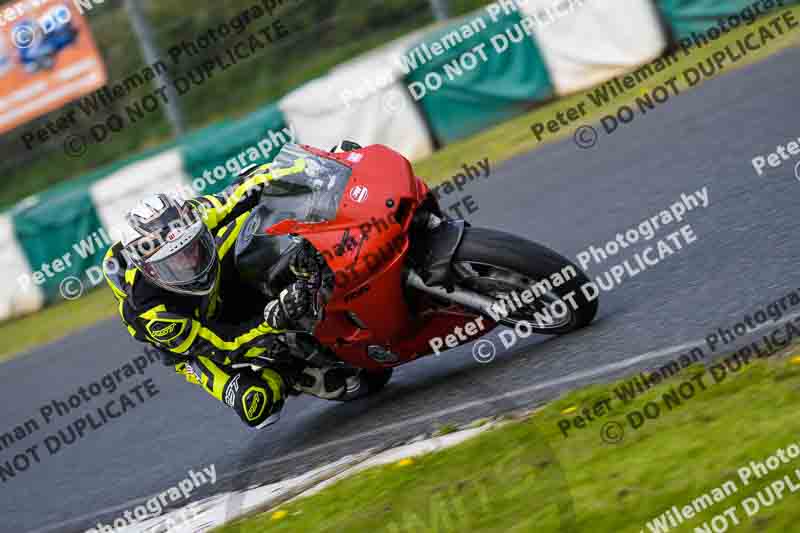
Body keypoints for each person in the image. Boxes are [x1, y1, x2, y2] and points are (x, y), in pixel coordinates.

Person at [102, 164, 351, 429]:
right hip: (197, 342)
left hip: (215, 284)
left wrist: (311, 167)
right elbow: (225, 344)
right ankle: (290, 374)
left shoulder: (190, 218)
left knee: (254, 222)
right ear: (151, 271)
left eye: (191, 248)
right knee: (257, 405)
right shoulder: (154, 315)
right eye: (173, 262)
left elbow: (241, 190)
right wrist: (274, 319)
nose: (190, 262)